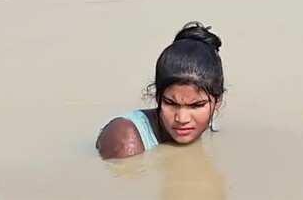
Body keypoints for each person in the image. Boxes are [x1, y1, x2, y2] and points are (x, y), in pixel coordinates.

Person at [96, 21, 226, 159]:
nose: (182, 119)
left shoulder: (208, 127)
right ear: (157, 96)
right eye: (171, 103)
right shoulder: (125, 137)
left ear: (217, 101)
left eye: (196, 105)